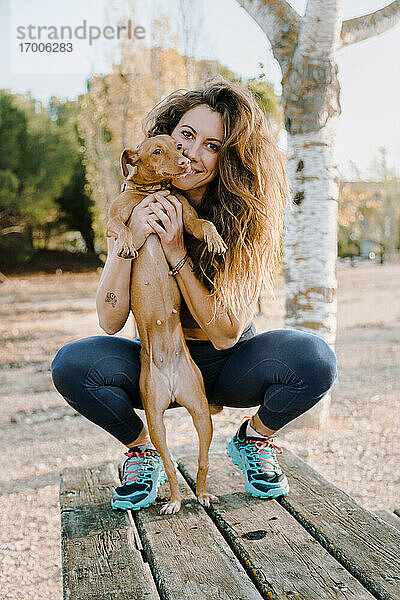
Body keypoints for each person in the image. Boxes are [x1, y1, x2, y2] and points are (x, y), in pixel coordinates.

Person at [51, 77, 338, 510]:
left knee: (314, 360)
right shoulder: (137, 203)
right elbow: (110, 321)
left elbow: (225, 333)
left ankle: (253, 440)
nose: (189, 153)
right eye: (186, 135)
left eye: (212, 145)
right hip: (156, 355)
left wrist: (177, 252)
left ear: (229, 159)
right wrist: (128, 241)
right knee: (72, 364)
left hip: (227, 364)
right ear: (167, 135)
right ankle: (142, 450)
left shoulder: (243, 220)